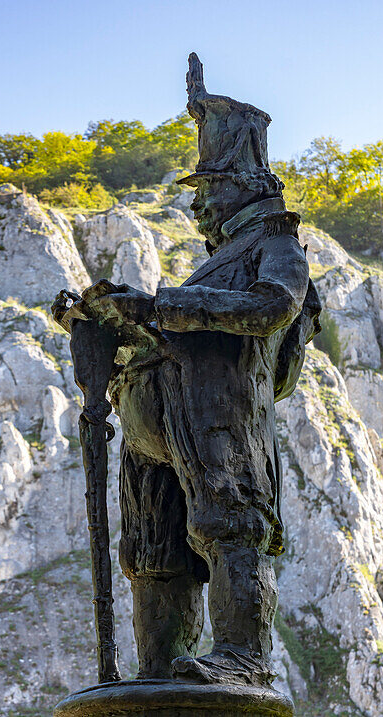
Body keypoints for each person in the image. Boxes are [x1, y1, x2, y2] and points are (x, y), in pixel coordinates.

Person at [72, 53, 321, 687]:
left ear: (244, 186)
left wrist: (163, 305)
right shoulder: (219, 260)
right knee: (155, 549)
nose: (197, 206)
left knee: (225, 524)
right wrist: (115, 322)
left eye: (207, 190)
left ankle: (241, 658)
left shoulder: (275, 244)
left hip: (216, 414)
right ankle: (157, 667)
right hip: (152, 419)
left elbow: (274, 308)